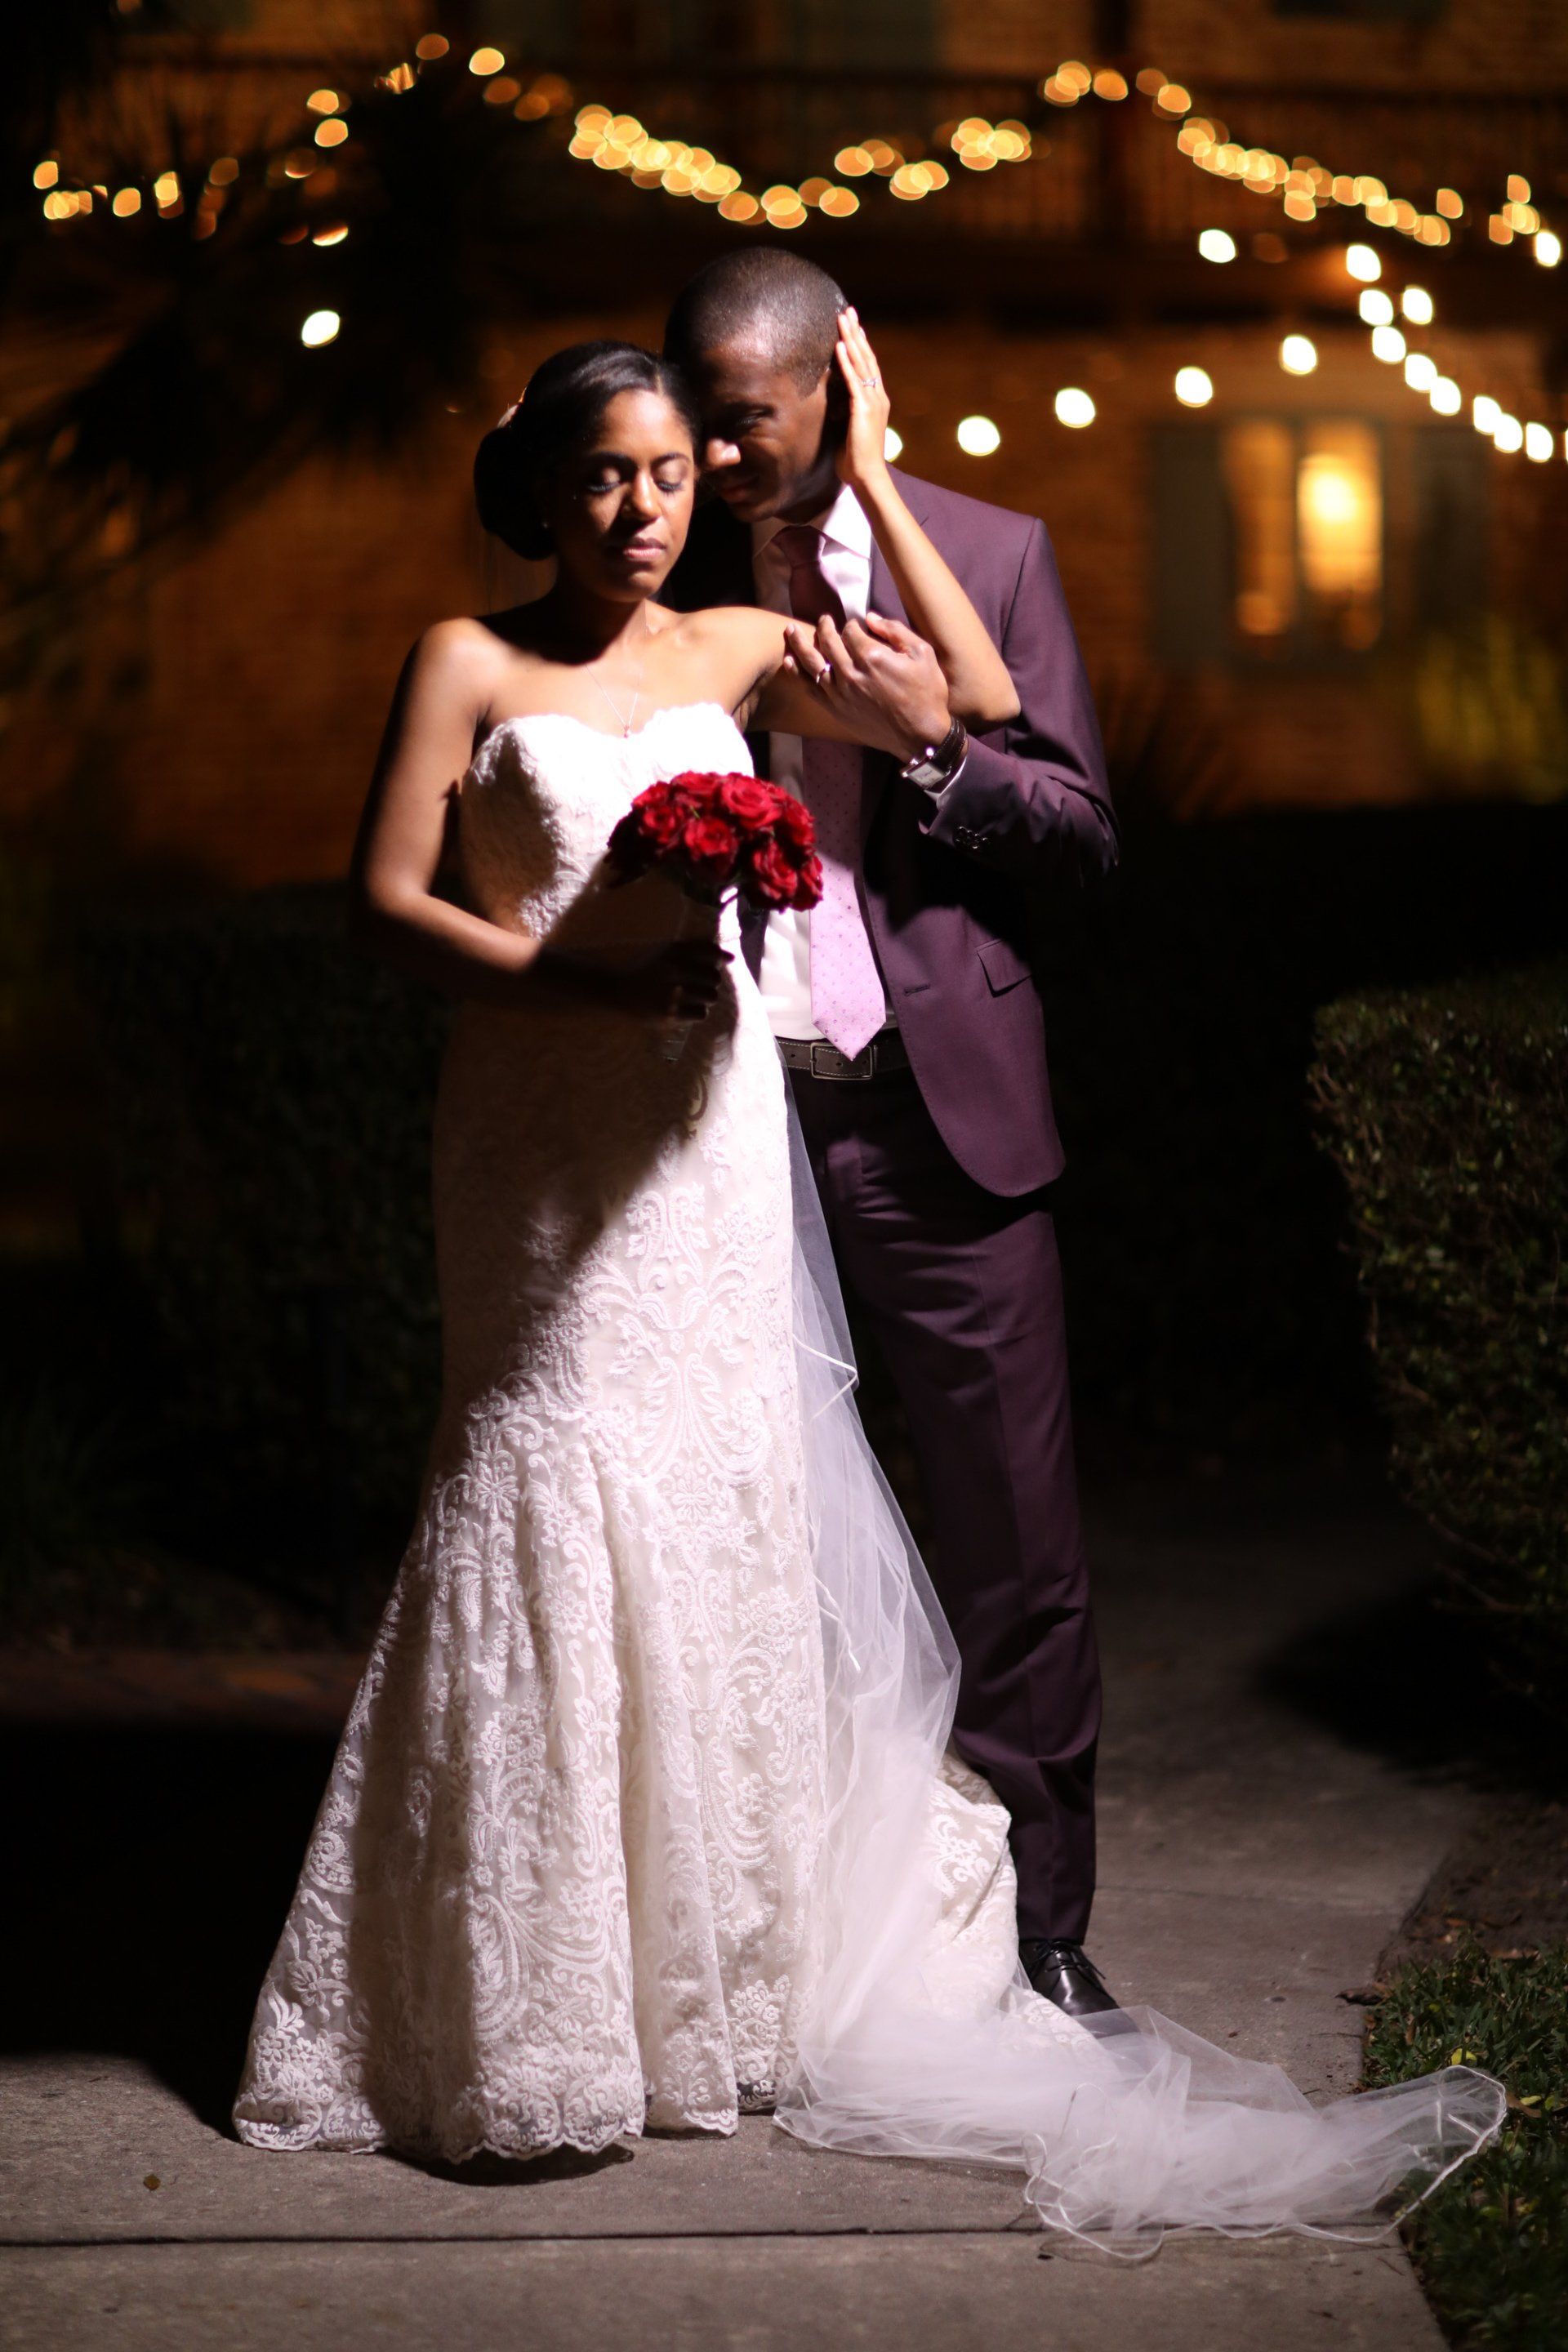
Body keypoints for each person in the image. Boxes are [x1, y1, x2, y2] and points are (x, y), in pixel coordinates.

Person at [232, 329, 1501, 2247]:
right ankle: (520, 1992)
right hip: (538, 1126)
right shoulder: (464, 661)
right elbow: (383, 904)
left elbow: (976, 697)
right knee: (537, 1475)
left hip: (707, 1133)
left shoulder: (747, 644)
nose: (643, 508)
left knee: (726, 1491)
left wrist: (883, 472)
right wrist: (579, 977)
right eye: (604, 475)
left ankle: (707, 1994)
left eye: (671, 474)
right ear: (541, 485)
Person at [662, 250, 1115, 2018]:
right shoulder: (659, 575)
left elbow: (1081, 838)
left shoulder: (989, 558)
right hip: (721, 1137)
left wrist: (930, 753)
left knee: (1015, 1546)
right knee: (741, 1548)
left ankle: (1042, 1936)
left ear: (836, 392)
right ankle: (780, 1941)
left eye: (745, 419)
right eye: (691, 422)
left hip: (942, 1135)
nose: (708, 456)